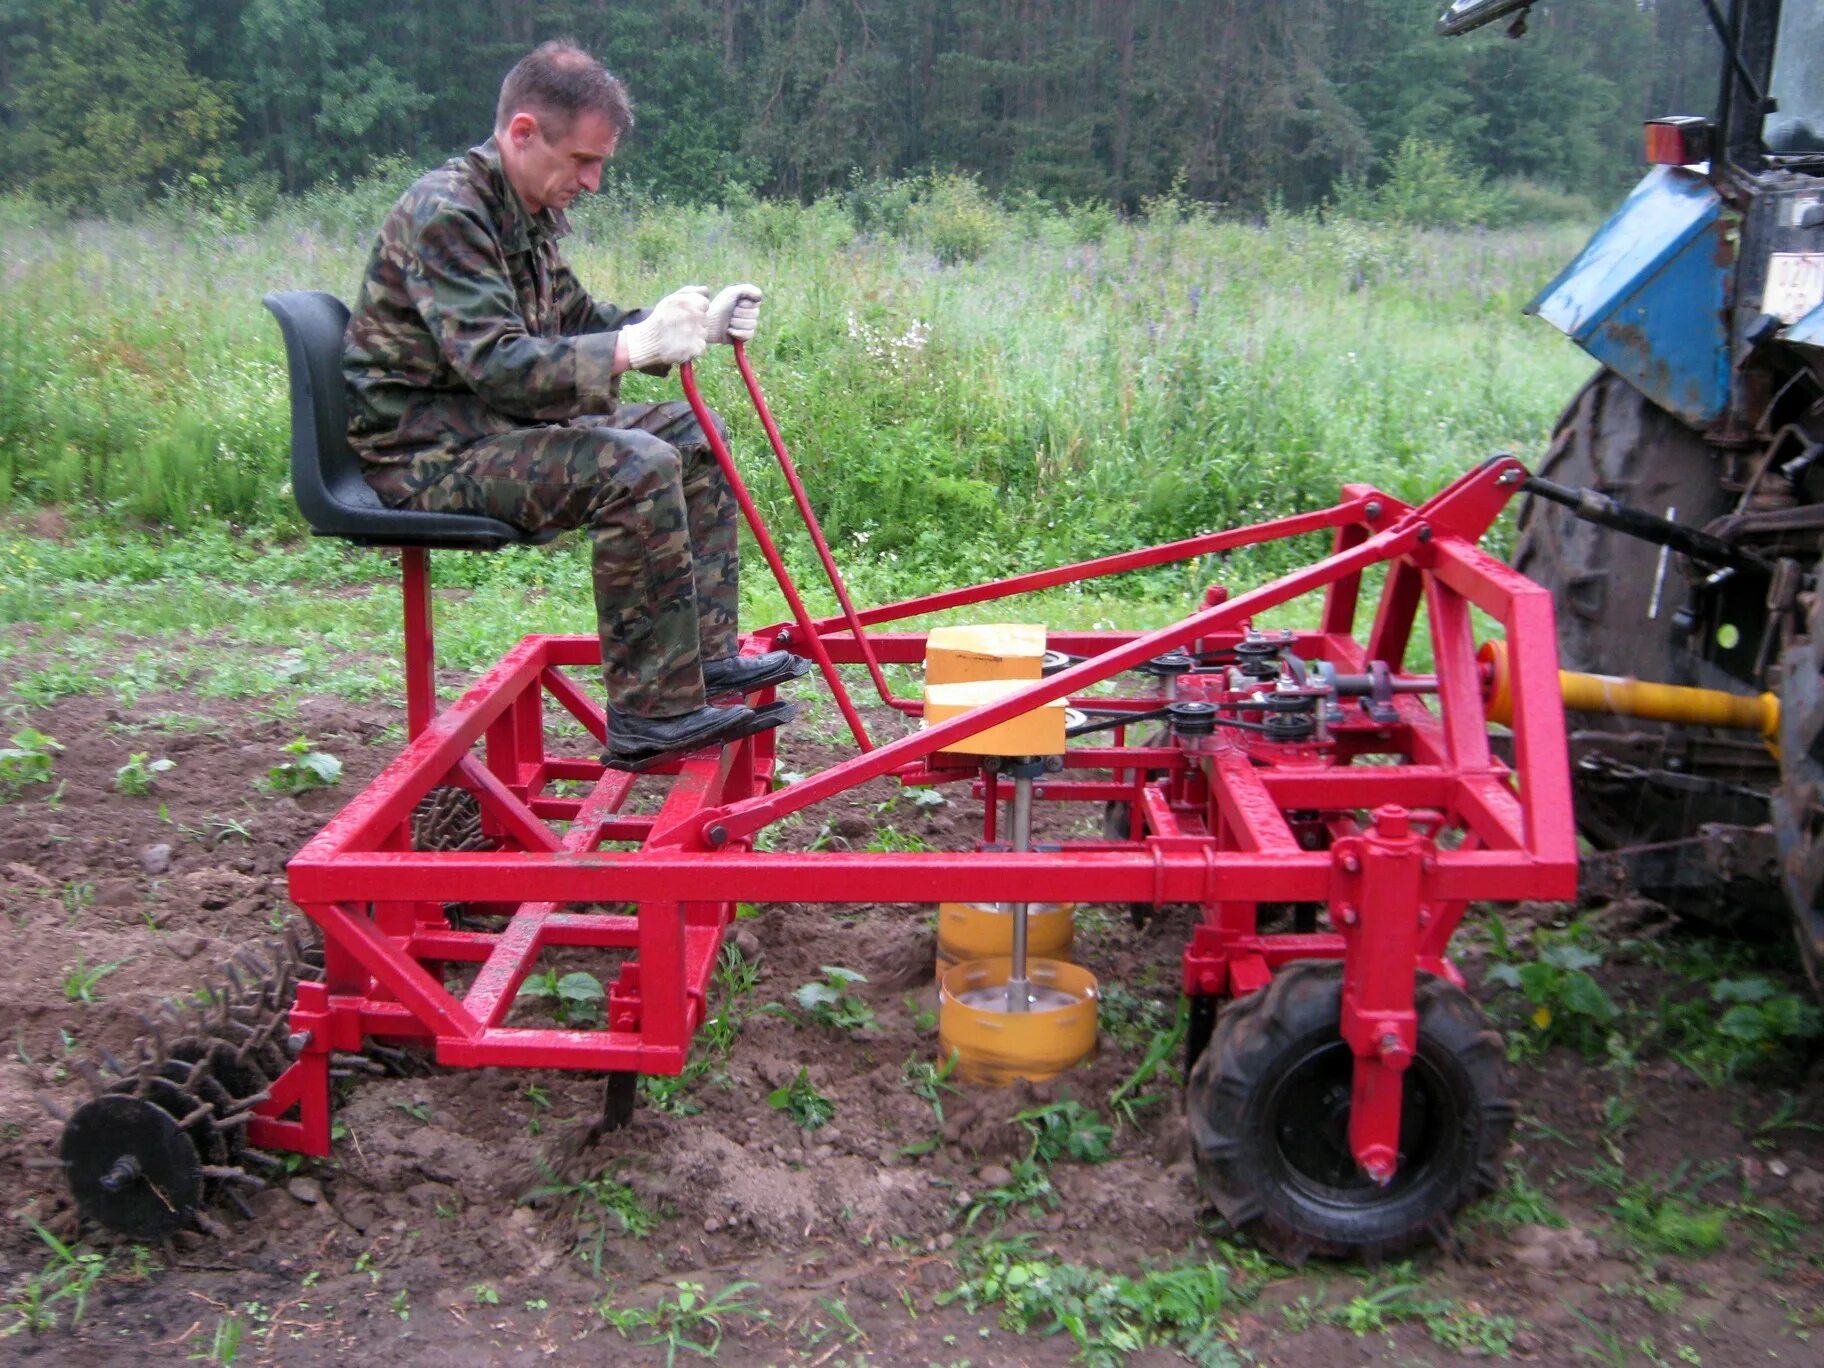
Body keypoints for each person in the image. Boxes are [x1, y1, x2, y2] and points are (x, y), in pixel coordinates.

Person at [344, 40, 806, 766]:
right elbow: (498, 365)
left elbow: (574, 319)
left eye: (600, 163)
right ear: (522, 133)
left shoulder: (521, 208)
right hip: (427, 452)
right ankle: (649, 716)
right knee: (634, 466)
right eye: (583, 161)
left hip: (490, 428)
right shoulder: (449, 215)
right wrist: (638, 345)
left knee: (691, 432)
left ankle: (702, 661)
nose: (592, 183)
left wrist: (686, 329)